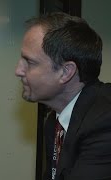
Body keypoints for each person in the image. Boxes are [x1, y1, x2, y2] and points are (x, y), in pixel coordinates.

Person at [15, 12, 111, 180]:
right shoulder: (54, 122)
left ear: (66, 72)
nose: (18, 71)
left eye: (29, 62)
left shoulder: (104, 121)